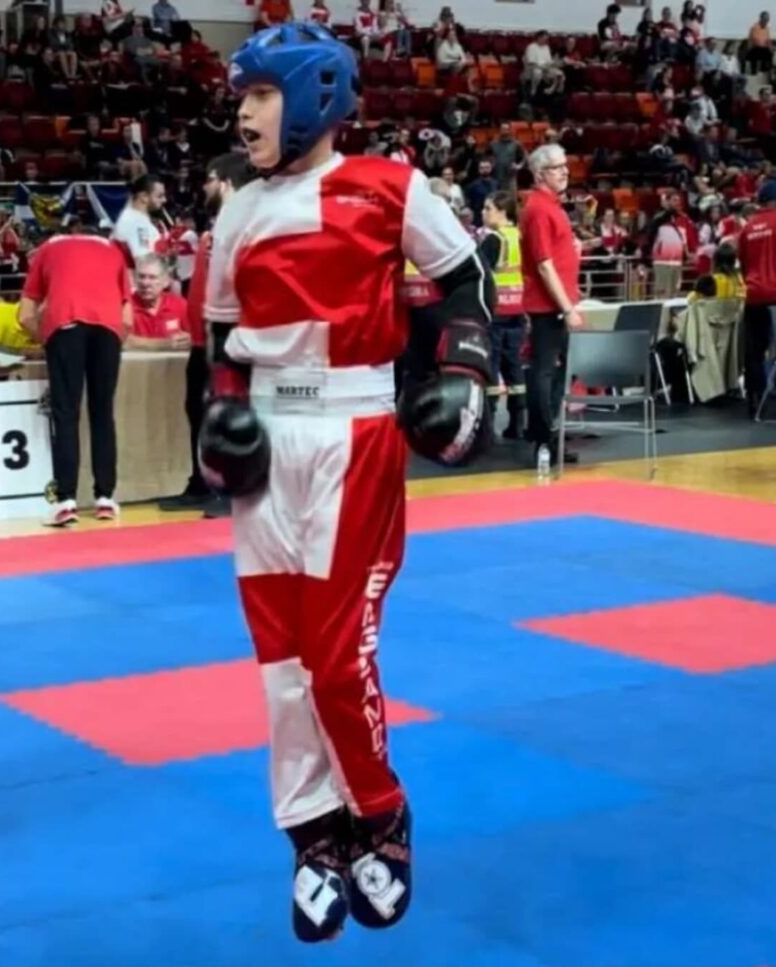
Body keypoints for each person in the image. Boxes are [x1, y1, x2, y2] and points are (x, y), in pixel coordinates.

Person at [198, 23, 494, 944]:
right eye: (239, 96)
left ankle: (380, 809)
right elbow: (221, 347)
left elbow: (465, 285)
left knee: (335, 657)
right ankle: (312, 832)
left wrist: (465, 377)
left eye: (258, 94)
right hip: (268, 455)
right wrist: (220, 426)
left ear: (314, 95)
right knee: (282, 668)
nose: (241, 112)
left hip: (353, 436)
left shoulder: (390, 186)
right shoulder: (236, 213)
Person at [159, 151, 255, 512]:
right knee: (198, 412)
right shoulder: (218, 230)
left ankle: (231, 486)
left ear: (226, 183)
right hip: (204, 339)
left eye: (209, 180)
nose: (204, 187)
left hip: (227, 337)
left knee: (225, 413)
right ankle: (201, 481)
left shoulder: (244, 226)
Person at [19, 229, 132, 525]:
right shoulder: (113, 250)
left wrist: (47, 338)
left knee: (66, 414)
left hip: (66, 324)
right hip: (108, 328)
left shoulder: (47, 248)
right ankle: (105, 498)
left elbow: (24, 315)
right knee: (102, 412)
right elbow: (127, 318)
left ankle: (66, 500)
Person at [519, 143, 583, 466]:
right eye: (558, 167)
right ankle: (543, 441)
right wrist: (567, 308)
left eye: (565, 166)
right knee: (545, 374)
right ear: (540, 173)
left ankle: (549, 435)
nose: (565, 171)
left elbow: (553, 257)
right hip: (548, 308)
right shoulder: (539, 209)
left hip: (557, 303)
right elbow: (543, 264)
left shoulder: (552, 207)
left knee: (560, 373)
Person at [480, 191, 526, 440]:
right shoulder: (520, 236)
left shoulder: (494, 240)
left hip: (496, 313)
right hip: (518, 311)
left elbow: (480, 275)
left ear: (502, 211)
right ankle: (517, 423)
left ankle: (487, 425)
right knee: (515, 368)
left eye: (488, 208)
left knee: (491, 369)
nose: (483, 212)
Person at [738, 180, 776, 416]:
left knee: (754, 351)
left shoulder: (748, 228)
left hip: (754, 296)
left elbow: (743, 265)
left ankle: (755, 401)